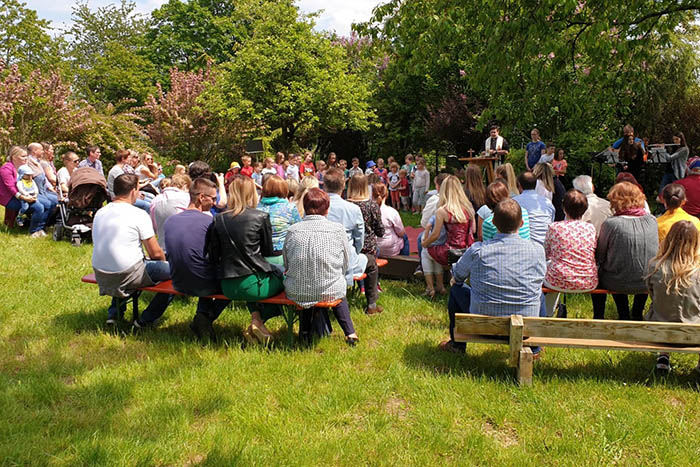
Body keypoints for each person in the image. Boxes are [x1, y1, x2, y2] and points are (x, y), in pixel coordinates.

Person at [440, 198, 546, 354]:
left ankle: (457, 345)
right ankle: (535, 348)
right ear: (522, 223)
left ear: (494, 223)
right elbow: (540, 279)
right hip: (525, 329)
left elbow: (457, 275)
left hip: (483, 326)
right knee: (539, 294)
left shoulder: (478, 250)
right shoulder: (537, 250)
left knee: (457, 289)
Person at [206, 176, 283, 344]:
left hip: (227, 286)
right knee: (285, 278)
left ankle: (256, 321)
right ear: (252, 193)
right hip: (254, 286)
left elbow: (214, 255)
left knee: (255, 278)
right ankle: (259, 321)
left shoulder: (218, 219)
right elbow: (268, 252)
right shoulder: (261, 216)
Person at [91, 173, 172, 327]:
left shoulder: (100, 212)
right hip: (127, 273)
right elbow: (155, 253)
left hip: (101, 273)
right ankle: (146, 320)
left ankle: (114, 314)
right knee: (177, 273)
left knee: (127, 263)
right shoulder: (138, 214)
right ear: (134, 191)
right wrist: (164, 265)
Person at [283, 188, 358, 344]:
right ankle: (350, 333)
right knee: (335, 284)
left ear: (304, 207)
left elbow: (287, 263)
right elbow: (345, 262)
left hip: (297, 290)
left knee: (306, 280)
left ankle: (304, 332)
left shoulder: (292, 230)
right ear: (327, 209)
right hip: (330, 288)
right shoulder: (338, 230)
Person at [164, 177, 230, 341]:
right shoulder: (210, 222)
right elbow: (219, 255)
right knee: (235, 283)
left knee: (202, 269)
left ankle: (202, 316)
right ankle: (205, 318)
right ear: (201, 197)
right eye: (213, 198)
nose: (215, 203)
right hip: (203, 283)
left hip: (177, 281)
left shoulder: (170, 221)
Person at [592, 182, 658, 320]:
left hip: (617, 281)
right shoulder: (652, 221)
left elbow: (600, 255)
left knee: (600, 273)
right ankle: (637, 312)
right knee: (641, 269)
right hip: (646, 280)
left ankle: (618, 313)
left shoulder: (611, 224)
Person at [324, 168, 383, 314]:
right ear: (343, 186)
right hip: (351, 255)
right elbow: (360, 240)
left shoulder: (320, 204)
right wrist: (354, 253)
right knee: (372, 263)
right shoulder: (355, 208)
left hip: (324, 255)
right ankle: (372, 304)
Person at [644, 221, 700, 374]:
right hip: (693, 334)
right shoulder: (697, 270)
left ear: (669, 239)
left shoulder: (655, 266)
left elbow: (652, 295)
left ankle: (663, 356)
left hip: (659, 332)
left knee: (660, 307)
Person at [543, 189, 598, 316]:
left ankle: (547, 314)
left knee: (548, 268)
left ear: (563, 208)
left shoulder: (554, 227)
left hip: (557, 281)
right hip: (587, 281)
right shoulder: (590, 228)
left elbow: (546, 254)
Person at [422, 175, 475, 298]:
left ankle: (431, 288)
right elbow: (473, 230)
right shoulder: (469, 208)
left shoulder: (443, 211)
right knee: (433, 252)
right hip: (466, 251)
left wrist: (425, 243)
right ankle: (440, 286)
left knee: (426, 251)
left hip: (449, 252)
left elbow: (435, 234)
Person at [0, 146, 49, 235]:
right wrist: (24, 197)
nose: (26, 158)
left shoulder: (24, 167)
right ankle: (33, 231)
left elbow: (31, 182)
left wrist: (34, 194)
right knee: (39, 207)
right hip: (10, 197)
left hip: (26, 194)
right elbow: (11, 188)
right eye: (23, 156)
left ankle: (40, 228)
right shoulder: (6, 169)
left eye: (26, 155)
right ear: (14, 157)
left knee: (48, 203)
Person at [257, 175, 302, 267]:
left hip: (260, 257)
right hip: (283, 255)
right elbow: (299, 230)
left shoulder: (256, 208)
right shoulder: (290, 208)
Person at [150, 173, 192, 251]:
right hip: (183, 247)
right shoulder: (186, 198)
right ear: (185, 186)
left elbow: (154, 226)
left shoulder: (155, 200)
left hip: (162, 246)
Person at [347, 174, 385, 258]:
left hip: (348, 246)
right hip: (368, 249)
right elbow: (380, 231)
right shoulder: (372, 206)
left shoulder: (344, 205)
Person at [513, 172, 555, 246]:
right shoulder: (547, 202)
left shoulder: (514, 203)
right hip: (546, 244)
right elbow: (551, 221)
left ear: (519, 184)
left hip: (524, 245)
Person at [373, 183, 409, 257]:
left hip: (374, 247)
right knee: (405, 237)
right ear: (386, 195)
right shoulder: (391, 212)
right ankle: (405, 261)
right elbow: (401, 232)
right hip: (390, 248)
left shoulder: (368, 210)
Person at [658, 131, 689, 196]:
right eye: (674, 139)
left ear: (681, 139)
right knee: (662, 191)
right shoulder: (674, 148)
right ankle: (663, 205)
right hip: (668, 172)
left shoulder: (684, 149)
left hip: (677, 173)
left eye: (677, 139)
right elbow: (667, 159)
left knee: (675, 193)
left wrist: (663, 150)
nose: (675, 141)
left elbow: (670, 158)